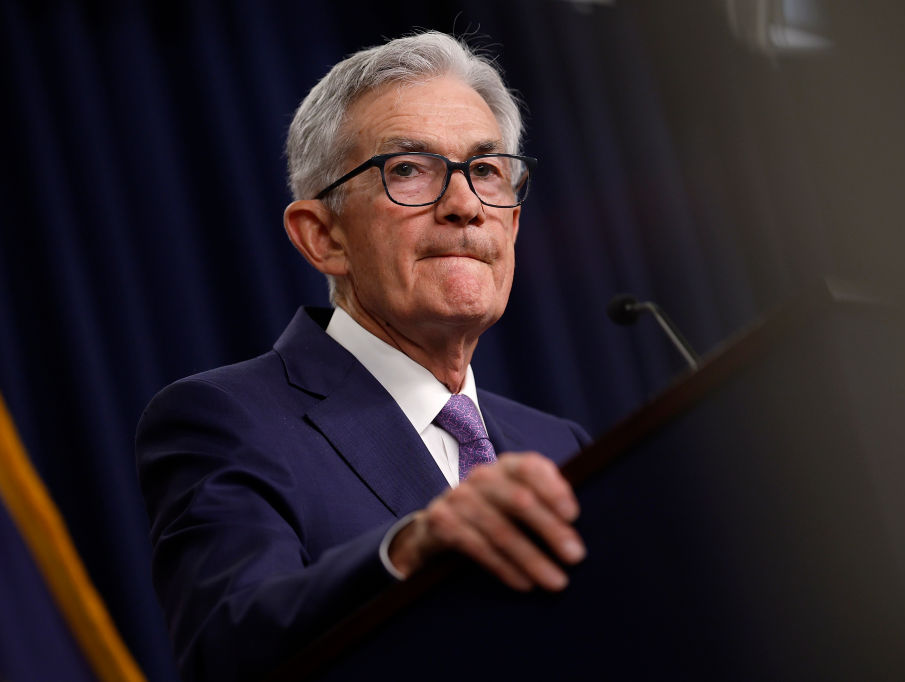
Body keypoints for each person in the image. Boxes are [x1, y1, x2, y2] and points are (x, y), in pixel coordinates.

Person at [136, 31, 588, 681]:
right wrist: (411, 549)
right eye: (407, 169)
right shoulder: (225, 420)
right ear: (323, 237)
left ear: (511, 223)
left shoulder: (560, 446)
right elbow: (229, 643)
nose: (463, 205)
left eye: (485, 171)